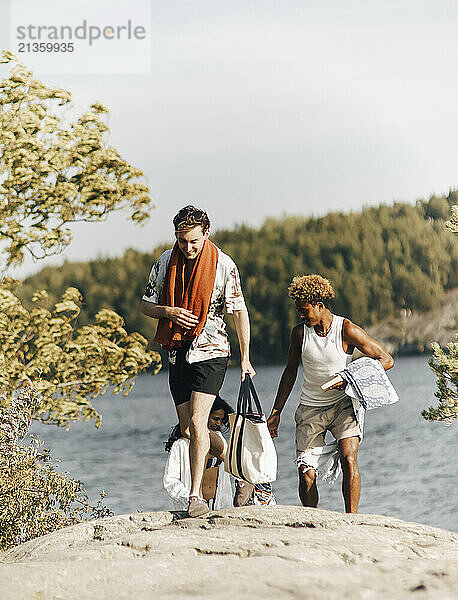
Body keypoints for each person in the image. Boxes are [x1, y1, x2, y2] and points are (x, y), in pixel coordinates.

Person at [141, 205, 255, 516]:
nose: (187, 247)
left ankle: (195, 497)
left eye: (193, 240)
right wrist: (170, 311)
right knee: (188, 429)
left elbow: (239, 312)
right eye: (181, 240)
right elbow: (146, 305)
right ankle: (243, 471)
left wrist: (245, 358)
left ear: (206, 233)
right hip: (178, 350)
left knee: (197, 421)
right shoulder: (166, 261)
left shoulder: (223, 265)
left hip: (213, 350)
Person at [267, 274, 394, 513]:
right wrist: (276, 412)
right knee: (306, 472)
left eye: (304, 311)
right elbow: (290, 372)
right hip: (310, 409)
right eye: (298, 312)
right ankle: (313, 520)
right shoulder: (299, 334)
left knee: (349, 458)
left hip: (344, 406)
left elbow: (386, 360)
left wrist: (349, 378)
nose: (301, 316)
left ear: (320, 306)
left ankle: (352, 520)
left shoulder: (346, 329)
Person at [163, 396, 234, 511]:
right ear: (204, 415)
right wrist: (190, 499)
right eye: (215, 418)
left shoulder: (219, 439)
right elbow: (170, 481)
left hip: (220, 505)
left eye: (221, 420)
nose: (218, 423)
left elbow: (232, 466)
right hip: (193, 505)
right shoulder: (182, 445)